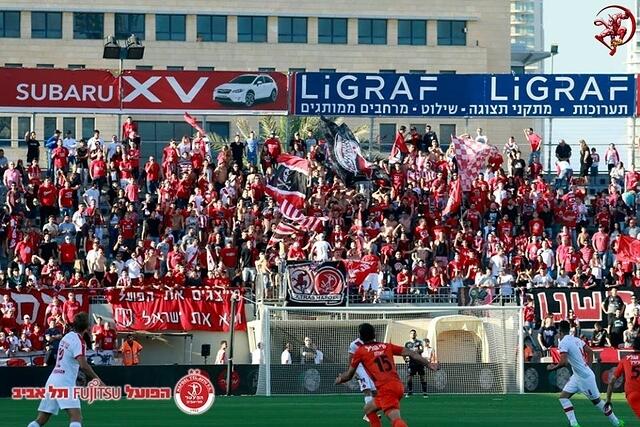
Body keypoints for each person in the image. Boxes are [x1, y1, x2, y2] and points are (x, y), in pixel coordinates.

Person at [335, 322, 438, 427]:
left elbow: (349, 375)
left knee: (395, 420)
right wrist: (429, 364)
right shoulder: (386, 346)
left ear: (360, 337)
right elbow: (412, 353)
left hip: (386, 389)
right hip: (397, 385)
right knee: (368, 409)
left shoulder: (360, 351)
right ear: (374, 335)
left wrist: (340, 379)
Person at [27, 312, 103, 427]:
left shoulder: (67, 336)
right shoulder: (79, 341)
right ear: (87, 328)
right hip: (64, 382)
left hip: (53, 379)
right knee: (76, 417)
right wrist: (98, 380)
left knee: (41, 419)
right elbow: (83, 365)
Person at [547, 320, 624, 427]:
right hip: (577, 376)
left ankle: (617, 422)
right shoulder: (576, 339)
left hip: (585, 378)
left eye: (558, 332)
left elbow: (563, 363)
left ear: (560, 331)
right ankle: (574, 423)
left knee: (597, 402)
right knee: (563, 397)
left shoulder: (563, 342)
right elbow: (590, 351)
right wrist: (588, 366)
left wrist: (552, 368)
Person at [606, 336, 640, 419]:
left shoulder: (625, 359)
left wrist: (608, 400)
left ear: (633, 346)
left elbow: (612, 381)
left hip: (632, 394)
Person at [349, 335, 378, 422]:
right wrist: (353, 372)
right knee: (367, 390)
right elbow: (350, 359)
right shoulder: (354, 344)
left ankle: (368, 413)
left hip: (370, 369)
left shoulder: (372, 342)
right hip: (360, 368)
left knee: (375, 392)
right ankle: (369, 414)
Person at [404, 329, 427, 397]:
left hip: (419, 362)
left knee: (422, 377)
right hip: (412, 363)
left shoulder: (419, 342)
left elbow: (422, 350)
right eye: (411, 333)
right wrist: (405, 358)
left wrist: (417, 351)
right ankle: (410, 391)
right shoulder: (407, 344)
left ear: (416, 334)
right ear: (409, 335)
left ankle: (424, 392)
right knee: (409, 377)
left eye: (414, 333)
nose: (413, 334)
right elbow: (404, 352)